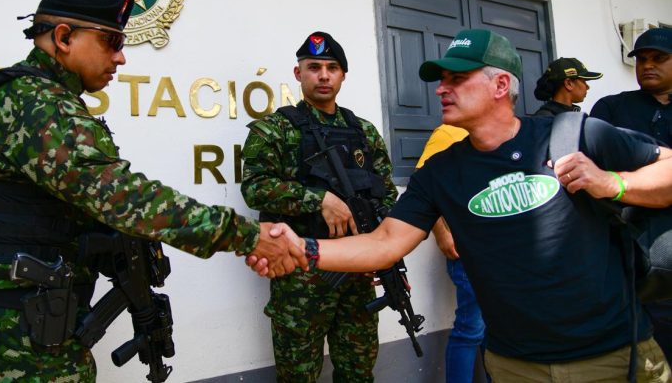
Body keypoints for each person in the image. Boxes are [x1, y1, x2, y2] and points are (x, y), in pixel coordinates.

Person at [254, 28, 672, 382]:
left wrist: (613, 183)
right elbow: (385, 241)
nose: (440, 88)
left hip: (614, 357)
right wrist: (303, 248)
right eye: (441, 80)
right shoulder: (440, 171)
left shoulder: (576, 133)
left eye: (457, 78)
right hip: (514, 365)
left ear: (501, 85)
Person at [0, 0, 306, 382]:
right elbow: (120, 196)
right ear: (64, 38)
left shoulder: (49, 100)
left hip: (34, 321)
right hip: (19, 332)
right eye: (110, 41)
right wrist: (246, 235)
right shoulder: (34, 102)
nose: (120, 56)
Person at [240, 31, 397, 382]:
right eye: (314, 67)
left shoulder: (365, 132)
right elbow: (255, 188)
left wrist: (386, 255)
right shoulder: (275, 130)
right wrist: (319, 199)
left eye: (332, 68)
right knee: (298, 376)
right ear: (299, 74)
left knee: (358, 372)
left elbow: (386, 196)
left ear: (342, 75)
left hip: (357, 272)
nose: (323, 75)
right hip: (299, 275)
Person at [591, 27, 672, 363]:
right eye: (641, 59)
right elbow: (594, 167)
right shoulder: (611, 109)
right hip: (625, 242)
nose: (648, 65)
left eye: (659, 59)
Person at [419, 125, 489, 383]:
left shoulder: (495, 135)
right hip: (467, 248)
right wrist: (441, 233)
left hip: (497, 251)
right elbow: (425, 186)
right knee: (470, 328)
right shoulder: (448, 133)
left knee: (495, 328)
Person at [532, 57, 602, 116]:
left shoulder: (571, 115)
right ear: (568, 83)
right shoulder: (546, 118)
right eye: (584, 81)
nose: (587, 87)